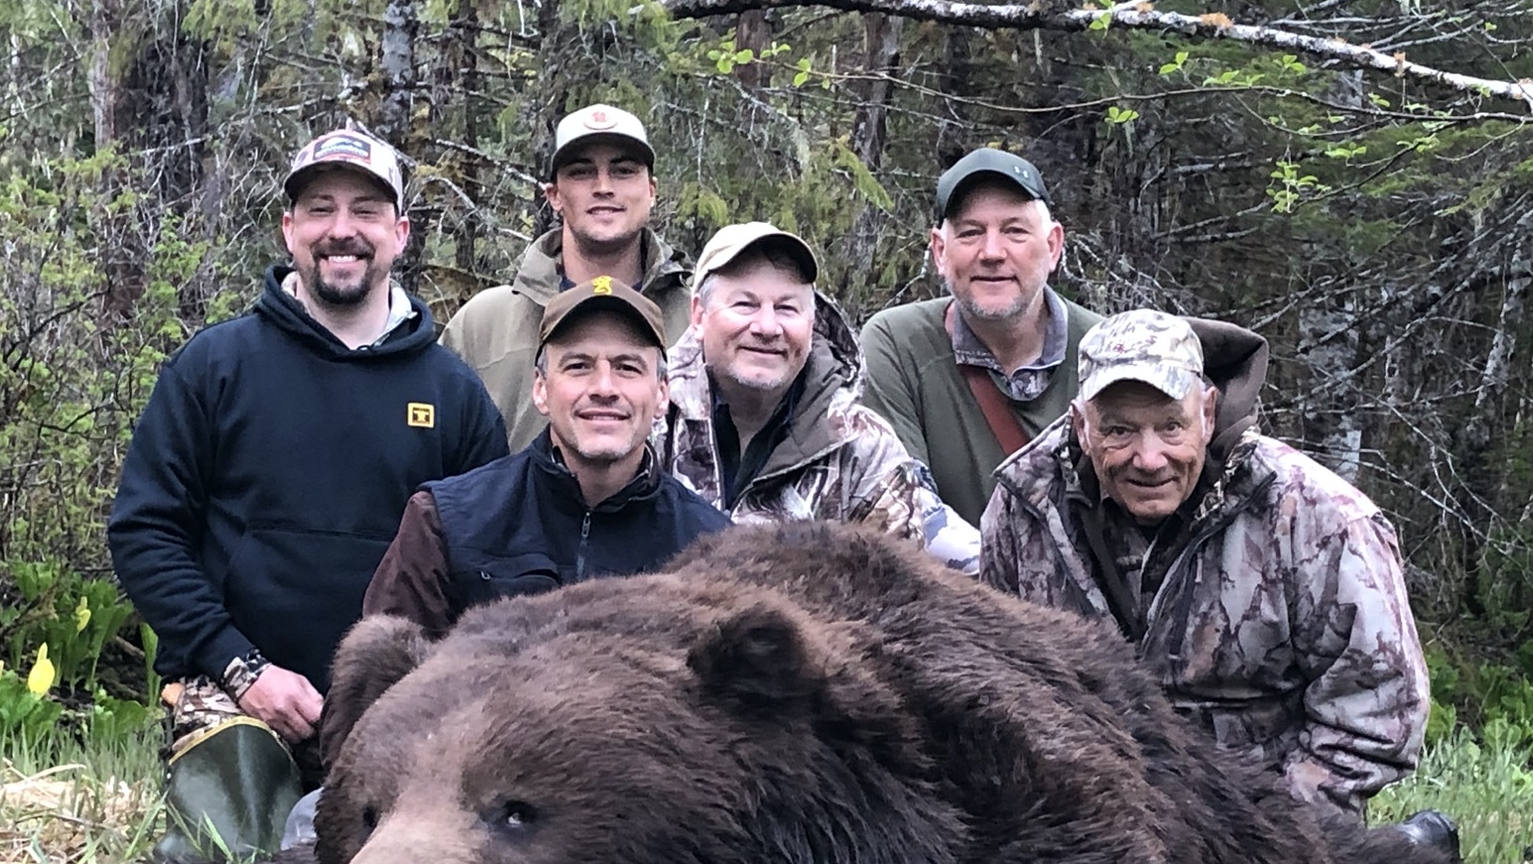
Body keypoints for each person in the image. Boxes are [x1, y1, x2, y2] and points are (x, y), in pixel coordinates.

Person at [109, 125, 507, 854]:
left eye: (365, 211)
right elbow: (144, 531)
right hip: (234, 687)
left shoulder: (454, 395)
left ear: (401, 233)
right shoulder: (215, 366)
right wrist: (242, 665)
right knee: (221, 863)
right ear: (289, 229)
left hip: (400, 703)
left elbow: (487, 573)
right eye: (320, 209)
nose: (341, 231)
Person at [979, 308, 1431, 818]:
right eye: (1120, 431)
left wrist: (1277, 832)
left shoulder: (1315, 517)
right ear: (1082, 426)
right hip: (1086, 823)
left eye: (1171, 426)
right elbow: (1000, 691)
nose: (1148, 459)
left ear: (1208, 413)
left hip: (1266, 824)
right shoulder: (1026, 509)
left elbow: (1379, 706)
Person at [363, 277, 728, 642]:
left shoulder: (711, 549)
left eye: (627, 367)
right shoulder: (445, 523)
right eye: (578, 366)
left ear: (662, 393)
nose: (604, 388)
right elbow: (381, 678)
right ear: (541, 389)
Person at [660, 222, 973, 563]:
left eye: (786, 308)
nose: (767, 327)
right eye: (745, 305)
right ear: (699, 315)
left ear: (812, 322)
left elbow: (901, 590)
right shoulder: (650, 419)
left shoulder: (863, 448)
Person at [860, 147, 1105, 527]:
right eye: (971, 233)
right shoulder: (897, 345)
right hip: (949, 585)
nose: (992, 252)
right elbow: (904, 512)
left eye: (1015, 231)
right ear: (940, 252)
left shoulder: (1105, 349)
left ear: (1053, 246)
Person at [443, 104, 692, 449]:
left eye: (622, 171)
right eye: (581, 172)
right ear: (554, 196)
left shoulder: (698, 321)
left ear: (651, 191)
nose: (604, 186)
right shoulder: (483, 325)